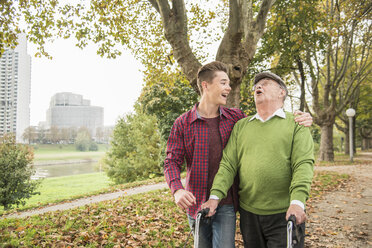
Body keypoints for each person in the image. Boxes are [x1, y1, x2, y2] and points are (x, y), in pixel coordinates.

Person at [164, 63, 313, 248]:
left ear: (282, 92)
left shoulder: (237, 119)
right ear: (205, 85)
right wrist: (179, 189)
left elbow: (301, 163)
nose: (229, 87)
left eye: (265, 83)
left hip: (249, 207)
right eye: (223, 83)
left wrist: (298, 202)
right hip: (210, 205)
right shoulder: (188, 123)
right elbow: (175, 161)